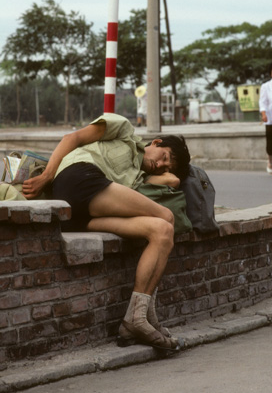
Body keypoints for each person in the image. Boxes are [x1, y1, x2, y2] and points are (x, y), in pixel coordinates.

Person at [22, 112, 191, 352]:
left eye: (165, 165)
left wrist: (166, 170)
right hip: (78, 179)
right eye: (164, 157)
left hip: (83, 216)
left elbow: (173, 181)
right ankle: (140, 318)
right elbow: (73, 138)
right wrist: (47, 175)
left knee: (161, 230)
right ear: (155, 142)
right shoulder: (123, 131)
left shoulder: (139, 178)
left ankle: (139, 316)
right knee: (166, 215)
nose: (161, 164)